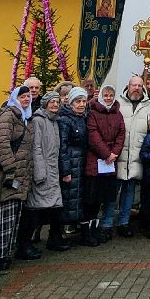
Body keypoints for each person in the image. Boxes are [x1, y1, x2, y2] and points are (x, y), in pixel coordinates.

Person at [0, 87, 34, 272]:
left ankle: (2, 254)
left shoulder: (25, 117)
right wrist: (10, 167)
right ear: (14, 98)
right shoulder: (8, 115)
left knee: (10, 217)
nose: (26, 99)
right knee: (0, 215)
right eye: (23, 96)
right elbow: (2, 143)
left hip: (19, 174)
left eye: (28, 97)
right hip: (6, 175)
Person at [17, 90, 68, 258]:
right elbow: (36, 147)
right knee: (34, 210)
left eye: (57, 102)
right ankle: (24, 245)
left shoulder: (54, 121)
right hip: (43, 172)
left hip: (53, 172)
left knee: (56, 208)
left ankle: (54, 239)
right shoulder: (38, 121)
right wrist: (40, 173)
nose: (55, 105)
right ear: (45, 104)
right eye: (52, 102)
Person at [116, 74, 150, 236]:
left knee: (130, 191)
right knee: (113, 192)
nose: (137, 88)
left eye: (140, 85)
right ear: (128, 86)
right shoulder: (118, 104)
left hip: (137, 155)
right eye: (134, 85)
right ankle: (106, 224)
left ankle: (124, 223)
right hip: (118, 155)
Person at [85, 82, 126, 241]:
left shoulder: (118, 113)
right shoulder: (93, 113)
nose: (108, 98)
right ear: (101, 96)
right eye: (105, 95)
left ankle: (99, 229)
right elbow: (93, 135)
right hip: (96, 160)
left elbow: (121, 134)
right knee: (93, 199)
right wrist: (106, 154)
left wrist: (114, 153)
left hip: (110, 162)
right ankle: (89, 231)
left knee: (106, 197)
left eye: (111, 95)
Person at [57, 87, 93, 245]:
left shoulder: (84, 117)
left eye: (84, 101)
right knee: (67, 200)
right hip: (71, 163)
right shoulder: (65, 119)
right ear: (71, 103)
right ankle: (57, 235)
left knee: (80, 199)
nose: (81, 104)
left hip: (82, 163)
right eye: (78, 101)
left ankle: (82, 233)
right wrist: (66, 170)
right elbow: (62, 146)